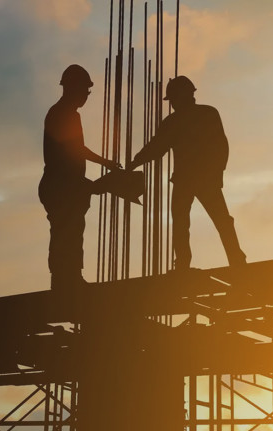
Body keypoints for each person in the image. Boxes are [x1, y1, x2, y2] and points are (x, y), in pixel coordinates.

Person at [126, 76, 246, 270]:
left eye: (172, 99)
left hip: (194, 179)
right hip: (196, 179)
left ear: (181, 96)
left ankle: (188, 263)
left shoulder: (182, 119)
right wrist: (135, 161)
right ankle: (234, 259)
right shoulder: (203, 114)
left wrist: (135, 162)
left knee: (189, 222)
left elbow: (157, 147)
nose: (172, 103)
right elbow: (158, 147)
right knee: (209, 221)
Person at [39, 64, 121, 291]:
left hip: (65, 185)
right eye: (85, 90)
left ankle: (69, 279)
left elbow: (75, 151)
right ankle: (65, 281)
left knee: (71, 232)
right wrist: (105, 167)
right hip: (61, 186)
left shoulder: (64, 113)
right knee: (66, 233)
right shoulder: (64, 114)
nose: (86, 95)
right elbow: (75, 150)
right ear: (72, 88)